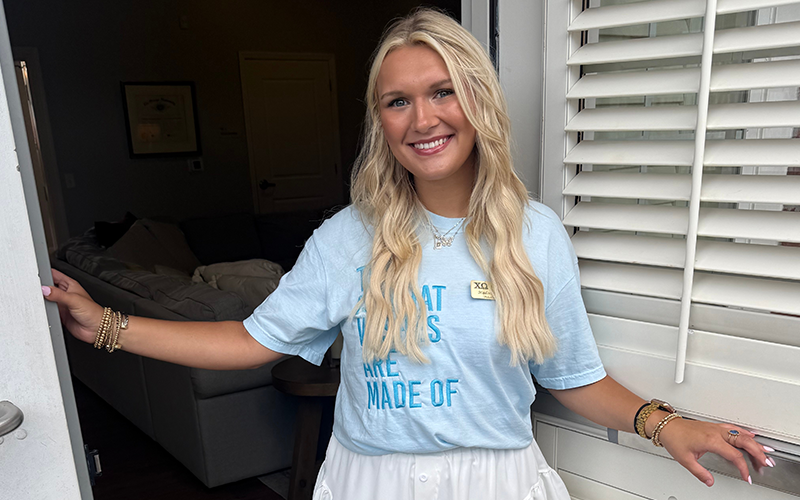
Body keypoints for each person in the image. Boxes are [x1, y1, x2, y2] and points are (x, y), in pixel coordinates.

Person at [44, 8, 774, 500]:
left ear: (477, 103)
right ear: (380, 121)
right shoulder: (345, 239)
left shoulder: (536, 234)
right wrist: (107, 324)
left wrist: (664, 422)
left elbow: (573, 378)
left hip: (500, 480)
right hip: (375, 480)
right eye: (397, 102)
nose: (422, 119)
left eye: (442, 92)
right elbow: (249, 339)